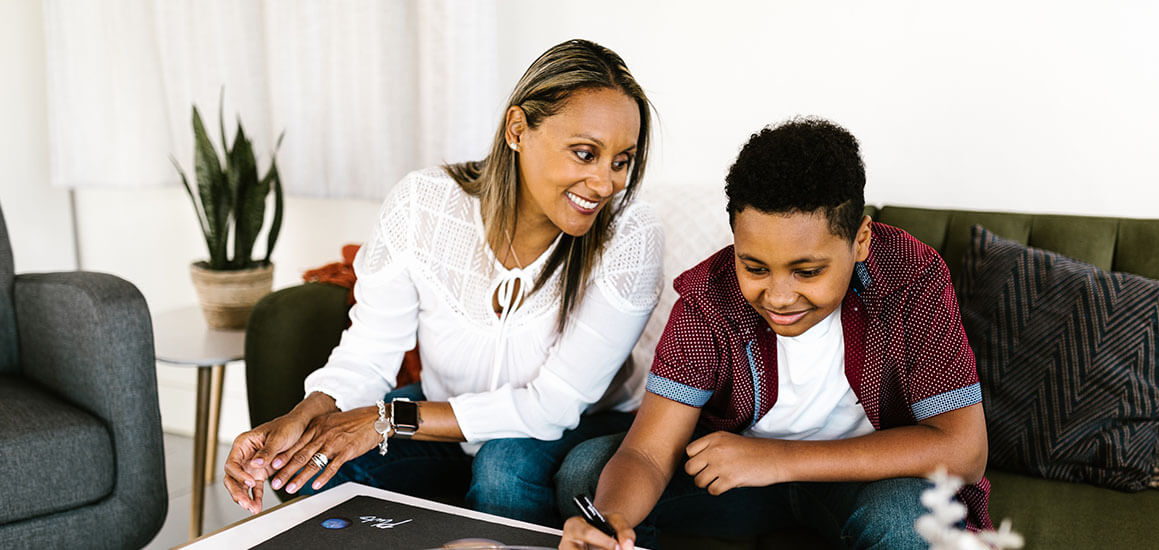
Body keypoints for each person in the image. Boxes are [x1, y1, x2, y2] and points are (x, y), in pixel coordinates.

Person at [223, 39, 664, 528]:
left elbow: (552, 405)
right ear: (518, 129)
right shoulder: (425, 204)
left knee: (504, 468)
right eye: (585, 154)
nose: (605, 183)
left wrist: (386, 420)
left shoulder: (630, 235)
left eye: (620, 161)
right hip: (445, 419)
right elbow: (370, 350)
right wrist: (304, 415)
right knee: (311, 464)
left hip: (574, 424)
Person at [558, 117, 990, 549]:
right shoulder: (709, 299)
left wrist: (780, 458)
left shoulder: (911, 278)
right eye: (755, 267)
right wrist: (610, 520)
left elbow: (963, 451)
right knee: (589, 472)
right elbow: (647, 452)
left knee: (907, 517)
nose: (779, 297)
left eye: (807, 271)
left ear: (860, 241)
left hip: (864, 481)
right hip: (738, 485)